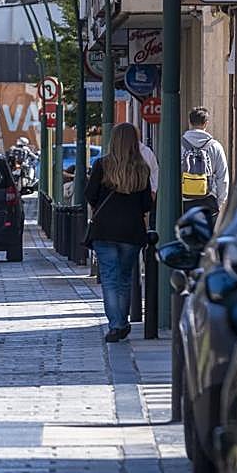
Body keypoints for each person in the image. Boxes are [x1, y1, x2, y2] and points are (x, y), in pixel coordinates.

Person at [84, 123, 154, 343]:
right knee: (124, 278)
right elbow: (146, 204)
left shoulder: (102, 165)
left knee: (110, 279)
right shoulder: (142, 168)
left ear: (113, 141)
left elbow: (90, 194)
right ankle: (121, 322)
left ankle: (117, 325)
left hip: (105, 230)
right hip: (132, 231)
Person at [180, 107, 228, 229]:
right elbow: (222, 177)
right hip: (208, 200)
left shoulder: (179, 144)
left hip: (183, 201)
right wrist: (219, 202)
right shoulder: (215, 146)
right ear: (206, 123)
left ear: (190, 122)